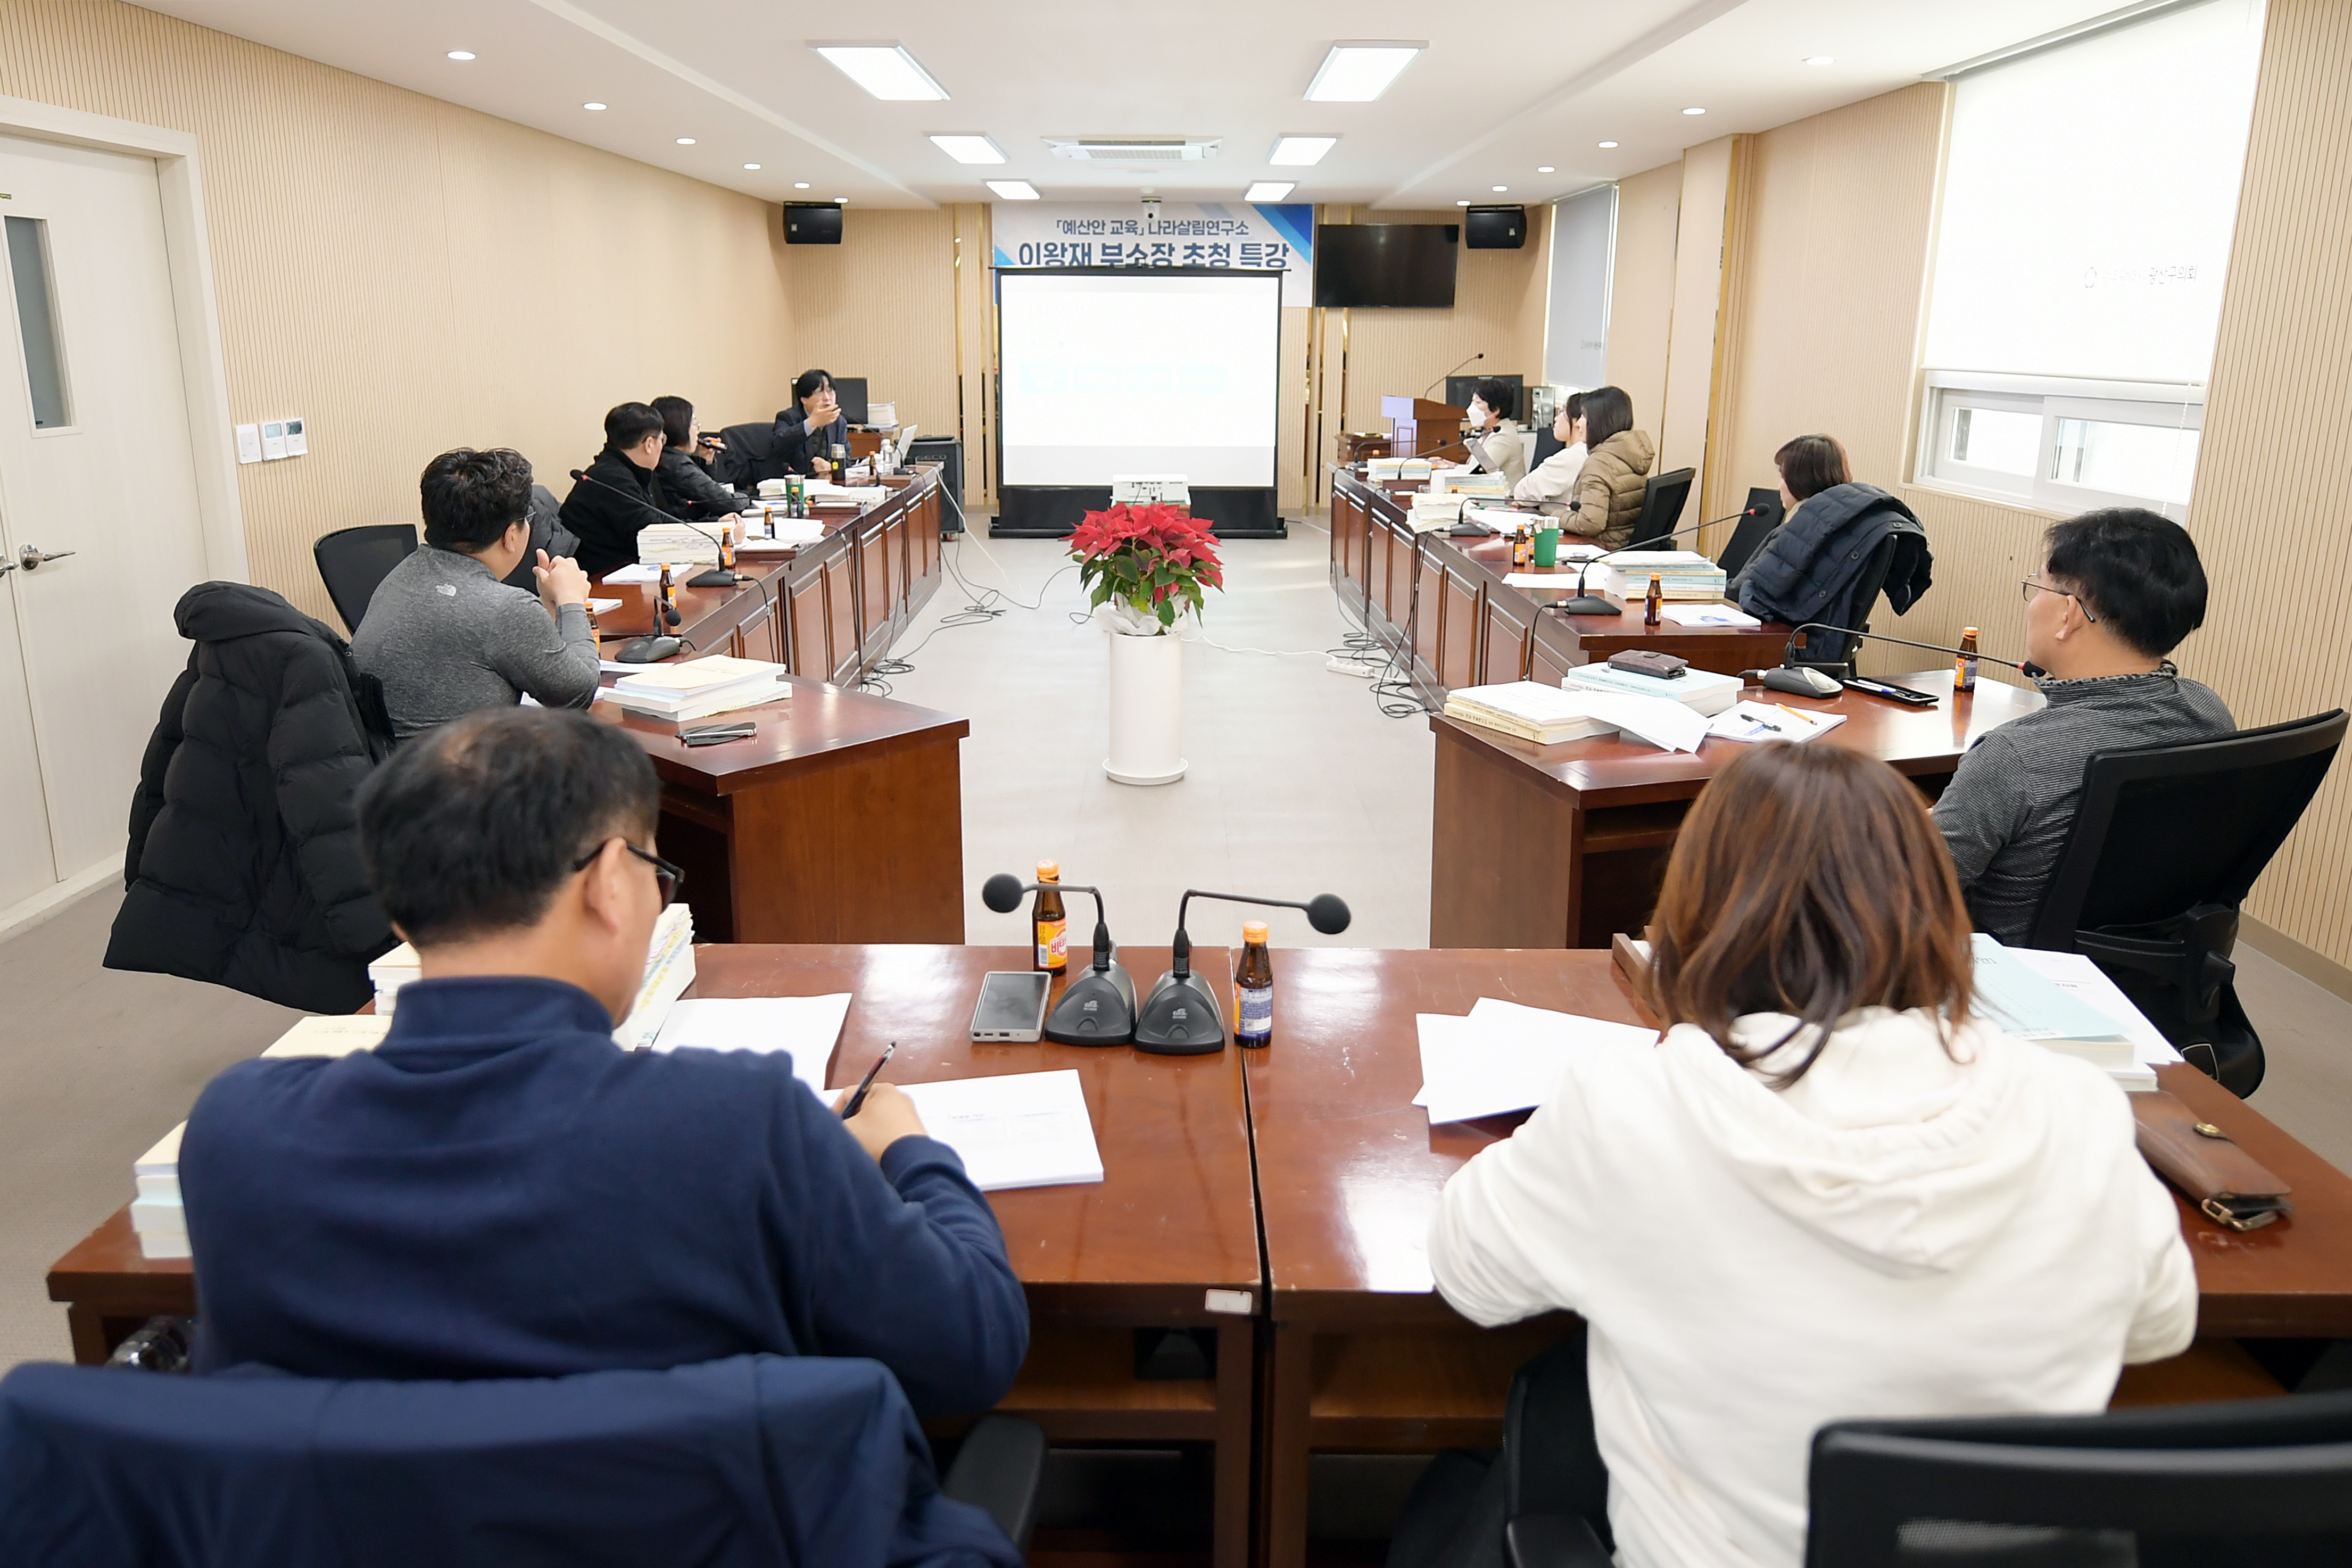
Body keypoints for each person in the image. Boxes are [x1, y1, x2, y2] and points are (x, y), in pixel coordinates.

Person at [1417, 743, 2196, 1568]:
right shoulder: (2074, 1105)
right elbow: (2163, 1321)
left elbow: (1469, 1271)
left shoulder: (1636, 1105)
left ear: (1696, 913)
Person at [180, 707, 1029, 1411]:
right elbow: (967, 1345)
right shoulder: (743, 1126)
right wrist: (910, 1150)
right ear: (610, 882)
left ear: (401, 919)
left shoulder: (237, 1132)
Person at [1935, 508, 2233, 943]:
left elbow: (1901, 893)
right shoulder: (2210, 710)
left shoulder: (2013, 758)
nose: (2032, 604)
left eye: (2038, 586)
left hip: (2008, 970)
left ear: (2069, 615)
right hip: (2150, 971)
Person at [352, 448, 599, 742]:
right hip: (461, 768)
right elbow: (577, 695)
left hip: (399, 765)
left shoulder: (403, 574)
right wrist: (572, 601)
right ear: (511, 536)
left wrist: (550, 608)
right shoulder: (507, 609)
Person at [1732, 433, 1932, 631]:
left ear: (1798, 479)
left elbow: (1742, 593)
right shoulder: (1848, 534)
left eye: (1782, 477)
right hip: (1815, 637)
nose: (1779, 485)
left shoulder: (1799, 533)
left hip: (1781, 638)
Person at [559, 402, 670, 578]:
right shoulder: (612, 479)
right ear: (649, 444)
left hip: (618, 571)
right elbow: (651, 535)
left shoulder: (623, 471)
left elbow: (660, 519)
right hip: (600, 579)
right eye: (662, 440)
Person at [1553, 385, 1654, 545]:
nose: (1578, 423)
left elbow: (1590, 523)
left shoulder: (1599, 463)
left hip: (1601, 549)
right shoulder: (1629, 454)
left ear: (1599, 421)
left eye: (1584, 416)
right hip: (1623, 545)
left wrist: (1556, 517)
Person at [650, 394, 747, 522]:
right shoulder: (677, 465)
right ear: (680, 427)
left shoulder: (665, 458)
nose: (698, 431)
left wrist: (706, 462)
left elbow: (705, 494)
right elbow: (727, 503)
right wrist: (746, 496)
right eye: (694, 423)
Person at [1430, 378, 1527, 487]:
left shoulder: (1503, 436)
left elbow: (1481, 474)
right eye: (1473, 401)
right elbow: (1475, 468)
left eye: (1478, 403)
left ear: (1495, 410)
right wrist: (1450, 465)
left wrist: (1447, 467)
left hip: (1504, 495)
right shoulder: (1489, 431)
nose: (1472, 407)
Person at [773, 368, 849, 480]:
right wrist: (812, 423)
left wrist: (831, 467)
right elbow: (779, 445)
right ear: (804, 399)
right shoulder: (788, 417)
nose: (827, 398)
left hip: (827, 485)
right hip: (794, 485)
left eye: (830, 390)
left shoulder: (838, 422)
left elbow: (847, 461)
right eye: (819, 391)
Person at [1512, 391, 1586, 506]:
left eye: (1562, 412)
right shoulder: (1592, 451)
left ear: (1578, 421)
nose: (1556, 418)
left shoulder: (1571, 458)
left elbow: (1523, 493)